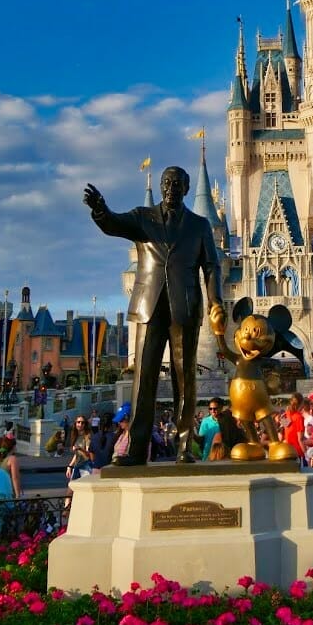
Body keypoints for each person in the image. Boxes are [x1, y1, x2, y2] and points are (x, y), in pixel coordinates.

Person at [84, 165, 225, 465]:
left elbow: (211, 266)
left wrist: (216, 301)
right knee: (143, 378)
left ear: (187, 189)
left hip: (184, 306)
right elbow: (112, 224)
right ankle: (136, 448)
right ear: (161, 186)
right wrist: (100, 210)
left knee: (185, 378)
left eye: (177, 183)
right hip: (149, 305)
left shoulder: (200, 225)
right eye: (166, 182)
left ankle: (185, 446)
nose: (171, 187)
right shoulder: (143, 217)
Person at [66, 415, 94, 481]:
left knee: (85, 489)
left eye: (82, 423)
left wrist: (79, 448)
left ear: (85, 424)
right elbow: (77, 454)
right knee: (71, 489)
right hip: (77, 464)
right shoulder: (76, 435)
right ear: (75, 423)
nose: (80, 424)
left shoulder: (88, 436)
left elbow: (88, 454)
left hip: (86, 465)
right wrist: (70, 466)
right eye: (78, 422)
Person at [281, 393, 306, 463]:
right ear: (301, 404)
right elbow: (300, 439)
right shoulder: (299, 417)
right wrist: (307, 454)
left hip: (288, 451)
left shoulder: (286, 414)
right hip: (298, 453)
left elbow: (285, 431)